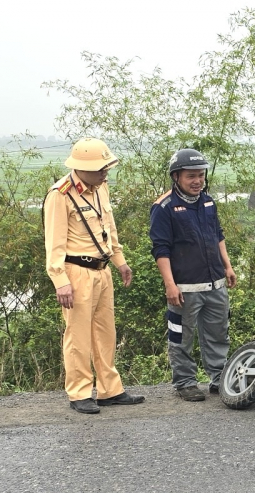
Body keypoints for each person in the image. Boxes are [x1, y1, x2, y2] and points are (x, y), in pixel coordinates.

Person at [43, 137, 145, 414]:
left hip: (102, 270)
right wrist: (60, 281)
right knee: (78, 336)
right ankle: (79, 392)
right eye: (101, 168)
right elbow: (54, 245)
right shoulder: (60, 194)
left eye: (106, 167)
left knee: (105, 333)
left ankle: (110, 390)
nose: (105, 172)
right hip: (75, 272)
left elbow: (108, 228)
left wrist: (119, 261)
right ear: (82, 167)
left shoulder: (101, 188)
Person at [149, 148, 237, 402]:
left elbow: (217, 235)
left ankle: (218, 378)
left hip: (215, 283)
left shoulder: (208, 202)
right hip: (184, 288)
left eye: (200, 175)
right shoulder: (163, 207)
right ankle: (185, 382)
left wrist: (227, 266)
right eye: (191, 176)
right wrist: (170, 285)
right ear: (176, 176)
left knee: (218, 333)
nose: (197, 181)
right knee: (181, 336)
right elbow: (160, 249)